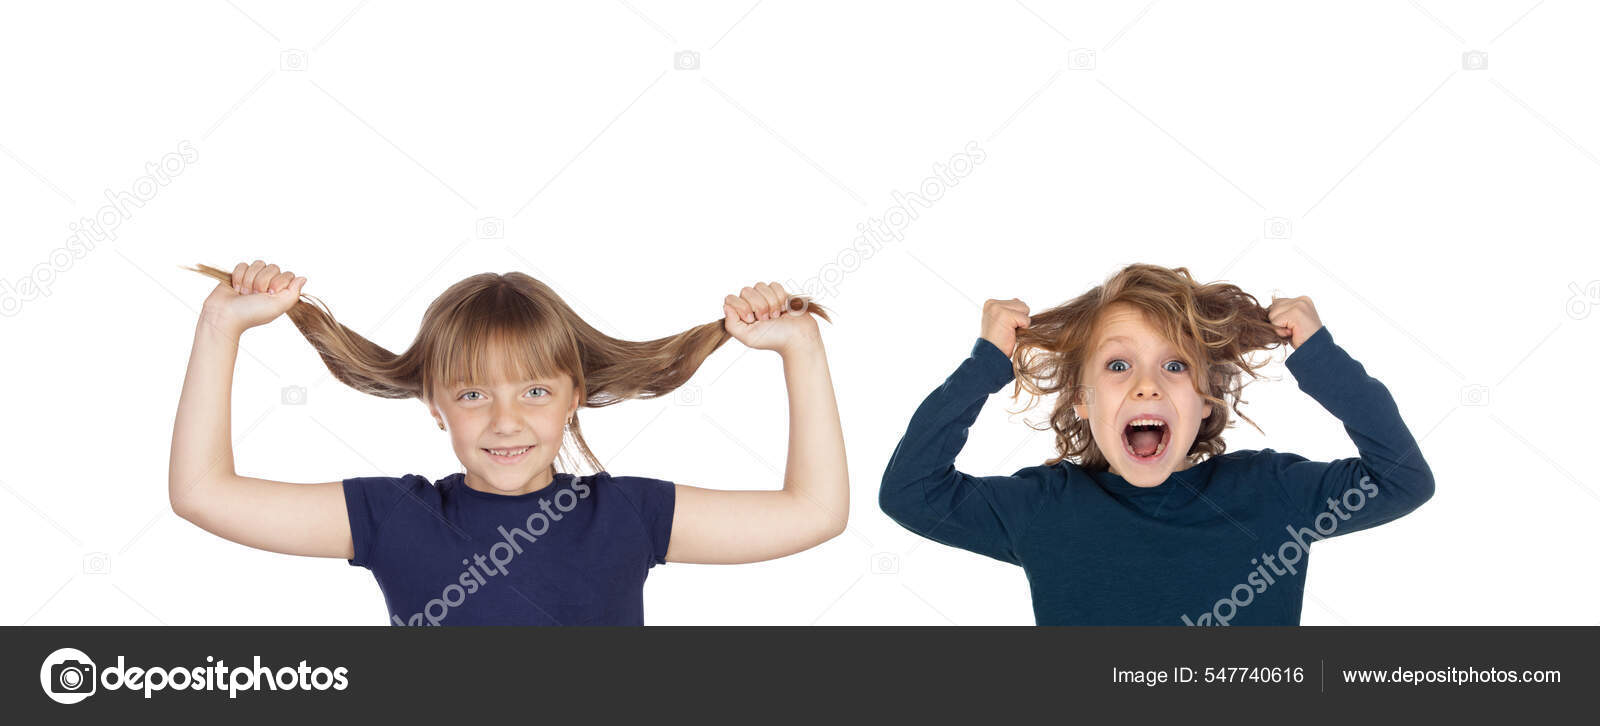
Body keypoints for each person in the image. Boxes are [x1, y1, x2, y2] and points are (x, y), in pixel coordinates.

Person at [169, 260, 848, 625]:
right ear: (435, 405)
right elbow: (202, 494)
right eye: (472, 394)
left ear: (574, 395)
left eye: (534, 391)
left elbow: (815, 513)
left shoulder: (627, 518)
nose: (505, 420)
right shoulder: (394, 518)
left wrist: (801, 349)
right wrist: (220, 326)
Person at [879, 263, 1434, 625]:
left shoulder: (1271, 493)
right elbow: (909, 492)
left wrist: (1319, 356)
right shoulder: (1045, 507)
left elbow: (1402, 479)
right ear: (1082, 399)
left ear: (1207, 397)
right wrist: (985, 364)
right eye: (1118, 365)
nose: (1147, 383)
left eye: (1174, 365)